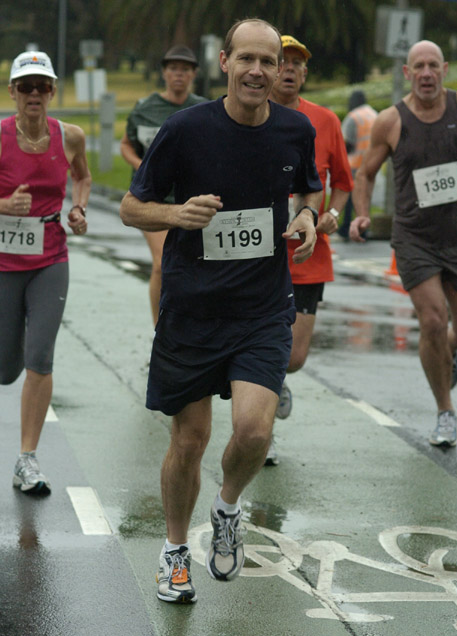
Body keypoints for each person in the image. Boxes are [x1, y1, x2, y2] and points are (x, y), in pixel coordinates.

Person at [120, 18, 322, 604]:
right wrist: (175, 214)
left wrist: (307, 216)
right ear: (226, 63)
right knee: (190, 439)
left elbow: (310, 187)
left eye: (268, 60)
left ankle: (228, 507)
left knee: (255, 430)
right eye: (247, 59)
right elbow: (132, 206)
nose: (258, 70)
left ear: (277, 68)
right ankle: (175, 551)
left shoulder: (295, 129)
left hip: (262, 309)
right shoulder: (185, 130)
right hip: (192, 310)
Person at [350, 40, 457, 447]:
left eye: (433, 66)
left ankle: (449, 347)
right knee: (433, 320)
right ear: (407, 73)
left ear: (445, 69)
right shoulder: (391, 121)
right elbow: (365, 173)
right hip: (415, 238)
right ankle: (445, 411)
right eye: (418, 66)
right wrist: (362, 213)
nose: (426, 73)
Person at [0, 51, 91, 493]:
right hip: (3, 262)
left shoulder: (70, 136)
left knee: (41, 357)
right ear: (13, 92)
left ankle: (27, 460)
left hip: (51, 258)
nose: (33, 94)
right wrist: (3, 205)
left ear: (53, 92)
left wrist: (79, 208)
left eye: (42, 86)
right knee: (5, 368)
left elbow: (83, 178)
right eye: (26, 86)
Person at [267, 35, 353, 464]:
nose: (288, 69)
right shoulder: (249, 116)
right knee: (261, 348)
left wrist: (332, 214)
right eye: (282, 61)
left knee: (294, 357)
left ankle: (273, 380)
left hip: (307, 258)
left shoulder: (325, 121)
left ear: (304, 74)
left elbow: (343, 183)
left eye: (296, 64)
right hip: (258, 255)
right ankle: (261, 431)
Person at [121, 45, 207, 326]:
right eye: (173, 69)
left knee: (192, 266)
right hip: (153, 200)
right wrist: (141, 166)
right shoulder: (145, 108)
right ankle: (161, 330)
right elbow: (126, 144)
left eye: (185, 69)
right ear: (164, 73)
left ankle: (188, 325)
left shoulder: (204, 109)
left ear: (193, 74)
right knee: (161, 264)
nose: (178, 74)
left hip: (190, 200)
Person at [338, 90, 377, 240]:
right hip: (372, 162)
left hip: (355, 163)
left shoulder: (353, 117)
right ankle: (364, 228)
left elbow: (347, 143)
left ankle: (346, 227)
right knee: (365, 196)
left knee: (349, 197)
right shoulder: (374, 114)